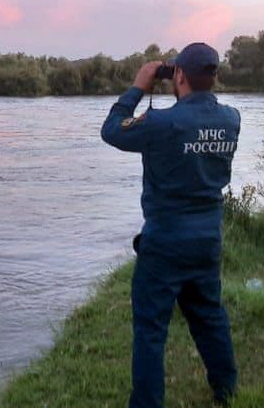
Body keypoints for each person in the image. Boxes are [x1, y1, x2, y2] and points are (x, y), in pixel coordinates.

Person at [101, 43, 239, 407]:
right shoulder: (232, 118)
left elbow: (112, 130)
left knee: (150, 329)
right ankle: (228, 391)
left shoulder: (162, 122)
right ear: (213, 76)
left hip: (165, 241)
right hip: (207, 237)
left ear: (178, 75)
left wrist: (138, 87)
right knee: (209, 315)